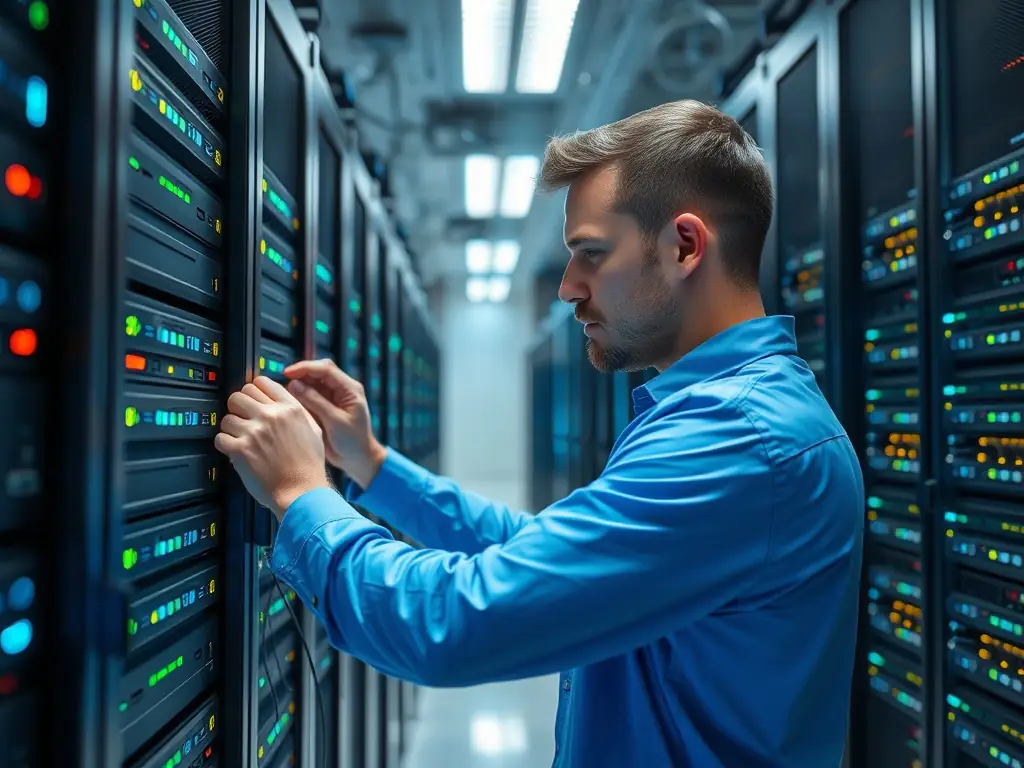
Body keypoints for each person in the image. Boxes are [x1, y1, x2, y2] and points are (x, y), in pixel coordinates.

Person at [215, 99, 864, 767]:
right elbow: (542, 557)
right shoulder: (720, 414)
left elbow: (455, 625)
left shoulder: (737, 440)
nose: (566, 288)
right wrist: (374, 465)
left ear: (684, 246)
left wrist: (300, 494)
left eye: (591, 254)